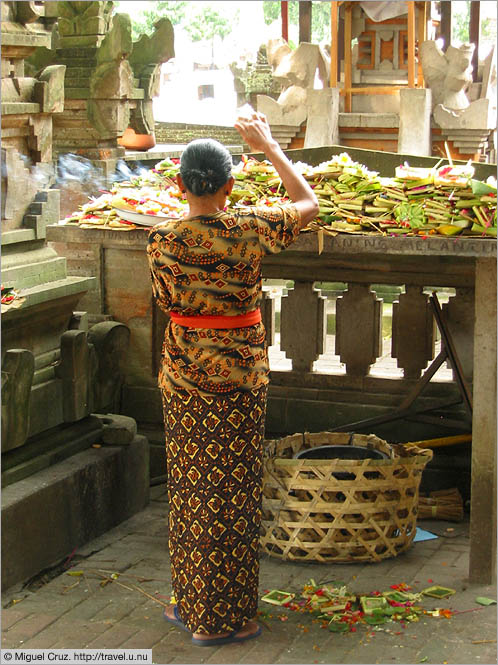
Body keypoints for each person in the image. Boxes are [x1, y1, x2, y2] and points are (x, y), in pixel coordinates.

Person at [147, 112, 318, 647]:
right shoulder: (249, 228)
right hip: (240, 374)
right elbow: (309, 205)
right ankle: (228, 619)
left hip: (184, 377)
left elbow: (165, 303)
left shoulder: (161, 240)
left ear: (179, 185)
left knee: (191, 487)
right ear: (230, 187)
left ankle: (192, 605)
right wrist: (269, 147)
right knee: (234, 493)